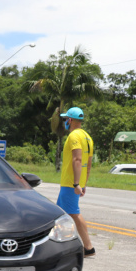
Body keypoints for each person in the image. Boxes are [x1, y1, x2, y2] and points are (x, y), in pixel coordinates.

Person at [56, 106, 95, 258]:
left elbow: (78, 159)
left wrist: (76, 184)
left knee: (73, 213)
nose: (65, 122)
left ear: (71, 120)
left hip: (69, 183)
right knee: (60, 214)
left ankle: (88, 247)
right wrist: (84, 183)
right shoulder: (87, 137)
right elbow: (89, 164)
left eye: (66, 119)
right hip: (74, 183)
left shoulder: (74, 136)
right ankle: (61, 245)